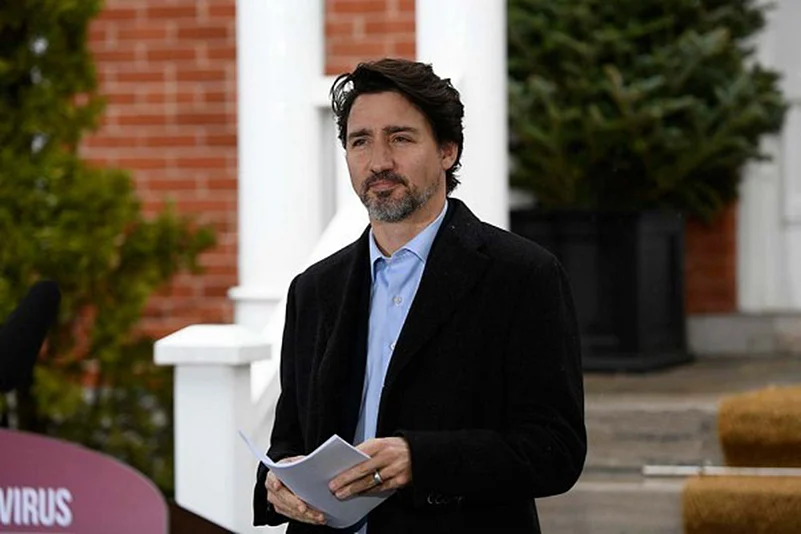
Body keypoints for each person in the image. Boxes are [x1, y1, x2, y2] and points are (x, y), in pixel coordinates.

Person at [253, 58, 586, 533]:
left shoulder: (523, 275)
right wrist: (276, 483)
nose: (378, 162)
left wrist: (419, 459)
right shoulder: (313, 290)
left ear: (447, 150)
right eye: (360, 141)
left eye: (400, 138)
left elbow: (556, 450)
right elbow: (289, 441)